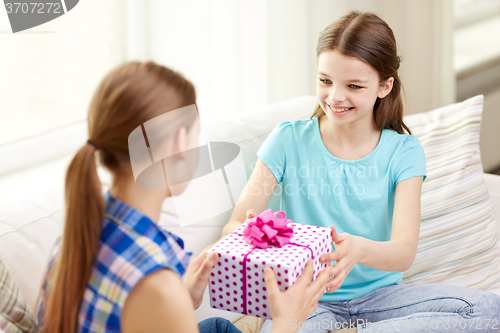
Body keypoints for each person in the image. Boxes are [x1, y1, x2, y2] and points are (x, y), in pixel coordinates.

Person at [221, 11, 500, 333]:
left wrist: (358, 249)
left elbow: (404, 253)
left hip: (383, 298)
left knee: (488, 310)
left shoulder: (404, 151)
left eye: (353, 85)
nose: (335, 97)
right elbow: (235, 223)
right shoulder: (288, 139)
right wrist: (252, 239)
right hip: (309, 299)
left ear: (384, 86)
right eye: (325, 81)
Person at [35, 61, 334, 333]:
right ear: (179, 142)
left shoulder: (74, 239)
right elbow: (150, 301)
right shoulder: (156, 288)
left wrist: (183, 296)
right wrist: (288, 321)